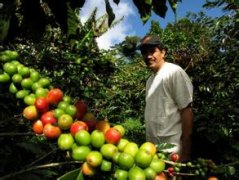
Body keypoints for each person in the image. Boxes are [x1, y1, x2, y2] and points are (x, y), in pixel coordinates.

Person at [138, 34, 193, 162]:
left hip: (173, 150)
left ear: (163, 52)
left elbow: (186, 111)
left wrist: (186, 152)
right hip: (153, 150)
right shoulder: (150, 81)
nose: (148, 56)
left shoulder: (174, 72)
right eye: (144, 53)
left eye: (152, 51)